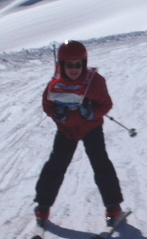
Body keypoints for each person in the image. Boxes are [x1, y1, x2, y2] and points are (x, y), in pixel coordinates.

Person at [34, 40, 124, 224]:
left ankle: (113, 205)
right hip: (67, 129)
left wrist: (92, 112)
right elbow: (47, 104)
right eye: (69, 65)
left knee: (100, 163)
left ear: (84, 63)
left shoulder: (95, 82)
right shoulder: (55, 84)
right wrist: (56, 114)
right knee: (56, 164)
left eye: (78, 64)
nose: (73, 69)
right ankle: (43, 204)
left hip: (91, 128)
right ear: (61, 65)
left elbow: (106, 104)